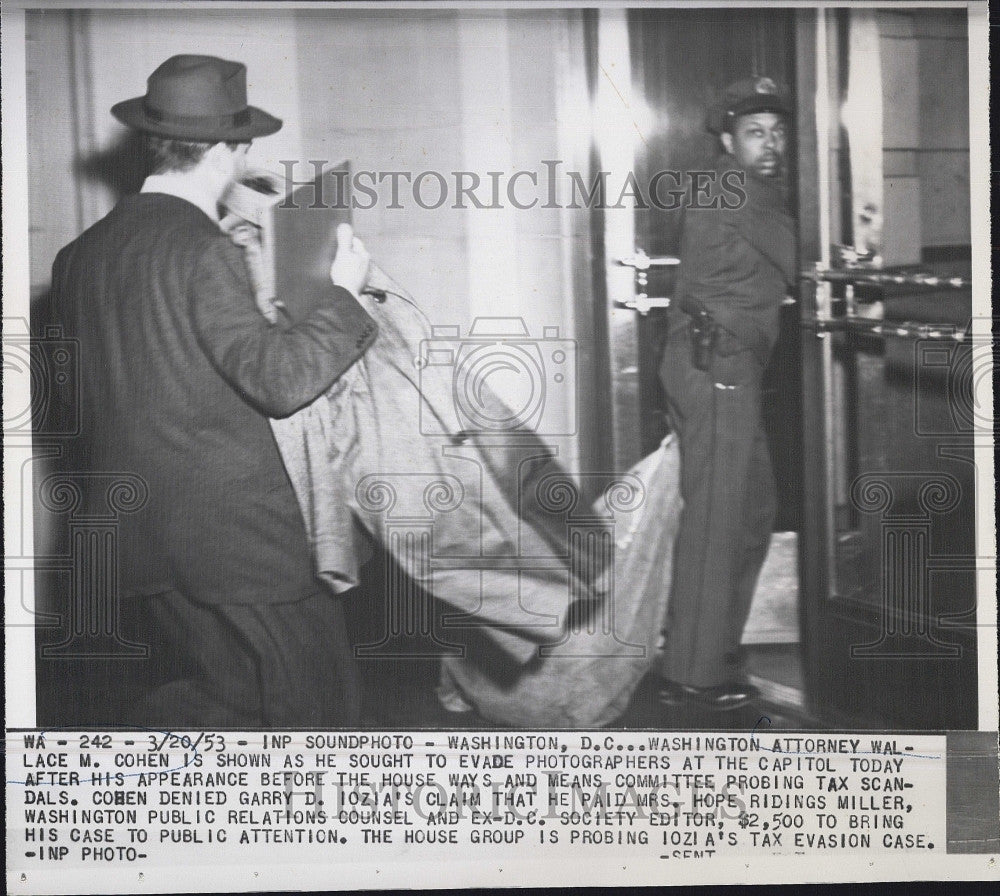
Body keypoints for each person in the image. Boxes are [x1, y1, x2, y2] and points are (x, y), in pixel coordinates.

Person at [48, 54, 376, 727]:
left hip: (134, 535)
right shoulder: (204, 250)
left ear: (152, 141)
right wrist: (342, 296)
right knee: (318, 712)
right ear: (233, 150)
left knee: (228, 701)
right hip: (236, 544)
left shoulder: (79, 256)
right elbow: (280, 383)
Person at [657, 76, 797, 710]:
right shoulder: (738, 189)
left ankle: (710, 651)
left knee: (752, 509)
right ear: (727, 138)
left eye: (777, 132)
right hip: (718, 365)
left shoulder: (730, 183)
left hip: (723, 362)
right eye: (754, 133)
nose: (770, 145)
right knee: (721, 519)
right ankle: (693, 673)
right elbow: (806, 261)